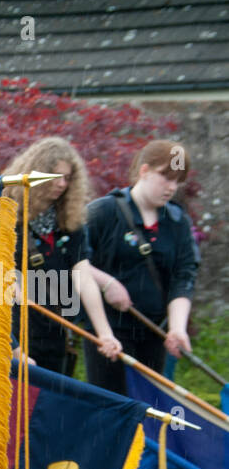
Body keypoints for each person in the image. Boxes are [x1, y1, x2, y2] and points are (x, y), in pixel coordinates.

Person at [86, 140, 200, 395]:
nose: (171, 187)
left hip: (155, 334)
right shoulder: (103, 212)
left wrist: (177, 328)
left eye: (177, 180)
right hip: (107, 335)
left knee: (150, 412)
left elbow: (184, 277)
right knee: (111, 409)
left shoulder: (178, 222)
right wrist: (107, 282)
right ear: (144, 171)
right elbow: (72, 261)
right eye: (165, 177)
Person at [2, 137, 120, 376]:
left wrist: (104, 333)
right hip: (13, 331)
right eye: (56, 176)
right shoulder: (6, 212)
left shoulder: (70, 221)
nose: (62, 184)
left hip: (54, 331)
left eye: (67, 178)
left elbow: (83, 275)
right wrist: (15, 351)